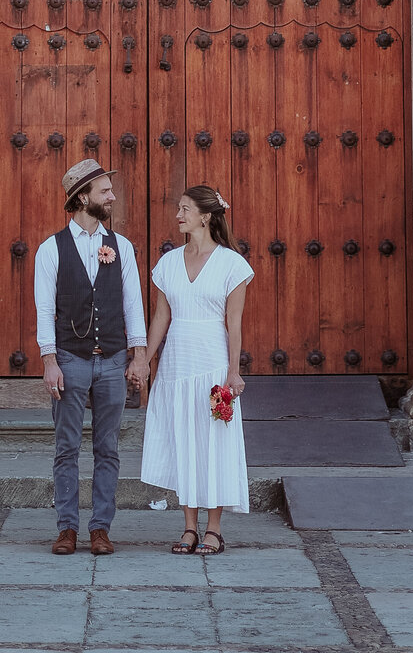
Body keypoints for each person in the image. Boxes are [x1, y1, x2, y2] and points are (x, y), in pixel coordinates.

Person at [34, 159, 148, 555]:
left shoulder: (122, 247)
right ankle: (67, 528)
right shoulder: (51, 249)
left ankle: (100, 528)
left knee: (108, 448)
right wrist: (50, 362)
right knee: (66, 447)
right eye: (104, 190)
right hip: (70, 360)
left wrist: (140, 356)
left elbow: (133, 304)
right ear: (83, 197)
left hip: (114, 360)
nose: (112, 196)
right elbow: (44, 309)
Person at [140, 185, 254, 554]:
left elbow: (233, 323)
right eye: (179, 207)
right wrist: (143, 358)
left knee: (213, 442)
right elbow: (161, 316)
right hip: (176, 362)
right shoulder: (169, 262)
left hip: (212, 362)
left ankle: (214, 529)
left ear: (206, 216)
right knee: (183, 440)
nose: (179, 214)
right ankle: (189, 527)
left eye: (185, 208)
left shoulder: (232, 265)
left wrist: (233, 373)